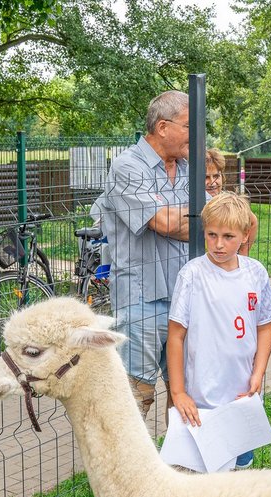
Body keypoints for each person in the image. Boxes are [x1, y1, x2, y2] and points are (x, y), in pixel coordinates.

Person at [91, 90, 190, 418]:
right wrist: (200, 218)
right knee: (137, 397)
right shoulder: (127, 166)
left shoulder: (189, 166)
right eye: (190, 126)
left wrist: (187, 218)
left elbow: (220, 220)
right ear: (163, 127)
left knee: (185, 393)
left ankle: (180, 466)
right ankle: (128, 466)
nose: (196, 134)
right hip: (140, 302)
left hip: (185, 301)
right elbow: (161, 222)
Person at [167, 191, 271, 469]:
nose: (218, 244)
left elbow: (265, 327)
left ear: (244, 234)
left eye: (228, 237)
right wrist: (178, 392)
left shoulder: (256, 273)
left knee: (239, 472)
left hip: (242, 399)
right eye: (212, 235)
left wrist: (259, 372)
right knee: (206, 478)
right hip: (203, 401)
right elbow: (176, 336)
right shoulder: (192, 275)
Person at [205, 147, 258, 256]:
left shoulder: (229, 202)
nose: (212, 182)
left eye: (216, 176)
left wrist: (243, 254)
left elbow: (252, 222)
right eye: (206, 177)